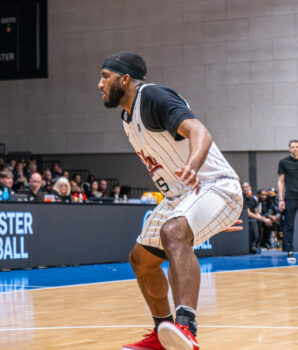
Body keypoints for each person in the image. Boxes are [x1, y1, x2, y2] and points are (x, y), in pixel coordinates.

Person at [98, 52, 243, 350]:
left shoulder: (153, 96)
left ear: (124, 79)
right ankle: (162, 333)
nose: (99, 83)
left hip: (214, 186)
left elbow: (199, 131)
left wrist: (192, 165)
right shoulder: (127, 118)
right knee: (141, 259)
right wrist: (203, 219)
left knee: (174, 231)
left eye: (105, 76)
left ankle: (186, 327)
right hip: (181, 197)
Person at [277, 139, 298, 263]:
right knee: (289, 225)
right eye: (293, 147)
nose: (295, 149)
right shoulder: (283, 162)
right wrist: (281, 199)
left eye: (297, 147)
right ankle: (289, 250)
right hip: (290, 197)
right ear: (289, 148)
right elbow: (281, 181)